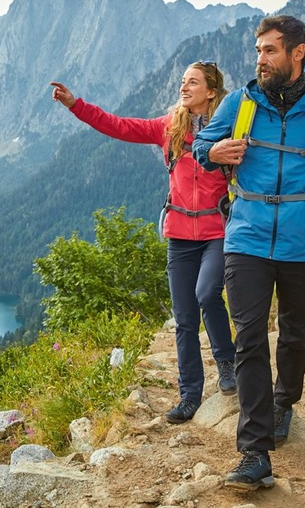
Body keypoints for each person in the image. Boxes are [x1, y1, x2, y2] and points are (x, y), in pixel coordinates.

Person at [193, 15, 305, 490]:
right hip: (247, 236)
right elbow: (201, 144)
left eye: (271, 50)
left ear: (298, 54)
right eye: (258, 50)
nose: (261, 59)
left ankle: (283, 401)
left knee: (294, 332)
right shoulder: (240, 101)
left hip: (302, 239)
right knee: (250, 336)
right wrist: (212, 154)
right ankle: (254, 453)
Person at [51, 61, 237, 424]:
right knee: (184, 319)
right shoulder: (169, 128)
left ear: (212, 92)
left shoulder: (228, 129)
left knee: (207, 293)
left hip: (217, 231)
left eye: (193, 82)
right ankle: (189, 396)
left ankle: (227, 364)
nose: (184, 87)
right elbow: (118, 126)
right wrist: (76, 105)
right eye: (183, 81)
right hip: (180, 235)